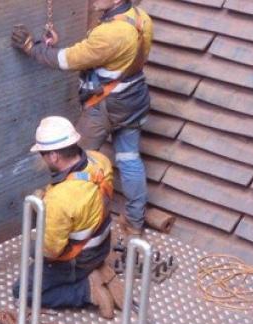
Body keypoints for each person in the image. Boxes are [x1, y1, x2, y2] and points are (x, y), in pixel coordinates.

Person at [11, 0, 154, 235]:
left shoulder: (111, 33)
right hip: (135, 98)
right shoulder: (141, 19)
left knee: (72, 160)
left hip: (106, 107)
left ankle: (64, 218)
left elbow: (67, 60)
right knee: (129, 158)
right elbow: (107, 57)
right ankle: (135, 223)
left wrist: (32, 47)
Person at [11, 116, 124, 318]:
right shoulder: (99, 161)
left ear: (54, 156)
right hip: (101, 247)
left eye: (43, 154)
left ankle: (87, 291)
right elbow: (83, 197)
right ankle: (97, 271)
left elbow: (52, 251)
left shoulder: (60, 200)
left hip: (78, 260)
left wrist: (34, 249)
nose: (42, 159)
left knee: (22, 291)